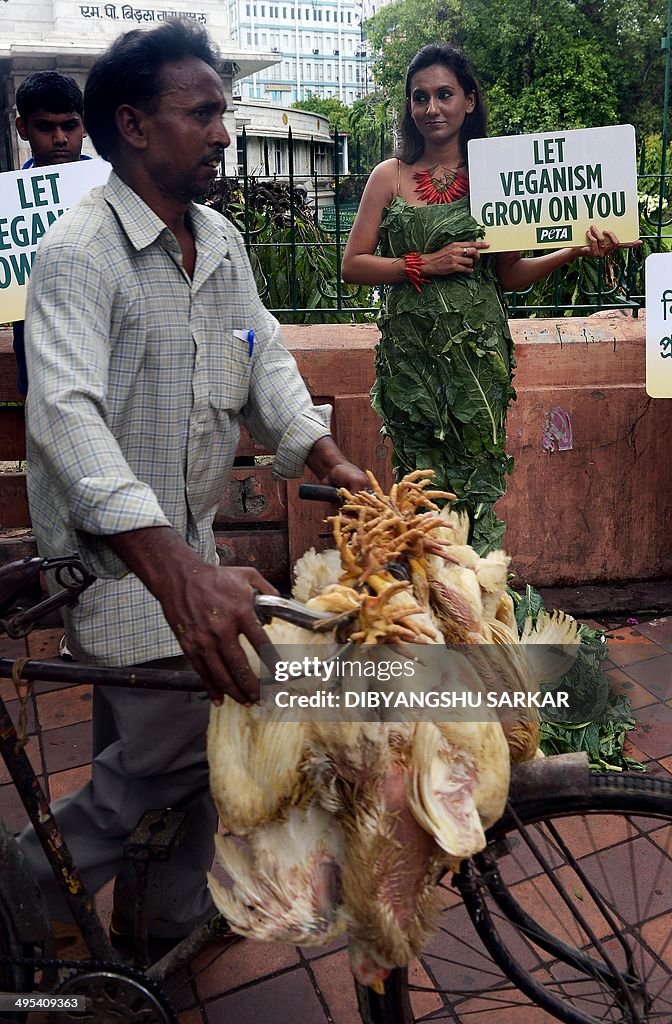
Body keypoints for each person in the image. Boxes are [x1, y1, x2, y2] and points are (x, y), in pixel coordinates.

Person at [18, 18, 369, 953]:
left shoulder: (217, 241)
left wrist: (321, 455)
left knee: (185, 750)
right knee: (157, 763)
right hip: (125, 570)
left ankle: (160, 927)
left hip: (192, 558)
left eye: (223, 110)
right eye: (203, 112)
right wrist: (173, 573)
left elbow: (263, 353)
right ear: (133, 124)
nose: (223, 130)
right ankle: (21, 907)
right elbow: (66, 421)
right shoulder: (78, 256)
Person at [342, 44, 637, 553]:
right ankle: (428, 604)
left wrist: (573, 250)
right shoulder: (388, 176)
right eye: (420, 97)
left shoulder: (500, 177)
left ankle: (476, 603)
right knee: (419, 486)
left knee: (474, 487)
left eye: (444, 95)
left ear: (469, 101)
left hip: (476, 361)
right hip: (409, 362)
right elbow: (352, 265)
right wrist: (422, 264)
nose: (431, 108)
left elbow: (512, 276)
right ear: (409, 107)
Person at [12, 71, 90, 396]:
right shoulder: (9, 204)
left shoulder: (114, 188)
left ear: (83, 126)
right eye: (46, 127)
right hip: (40, 369)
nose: (60, 139)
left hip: (111, 362)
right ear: (23, 129)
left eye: (69, 126)